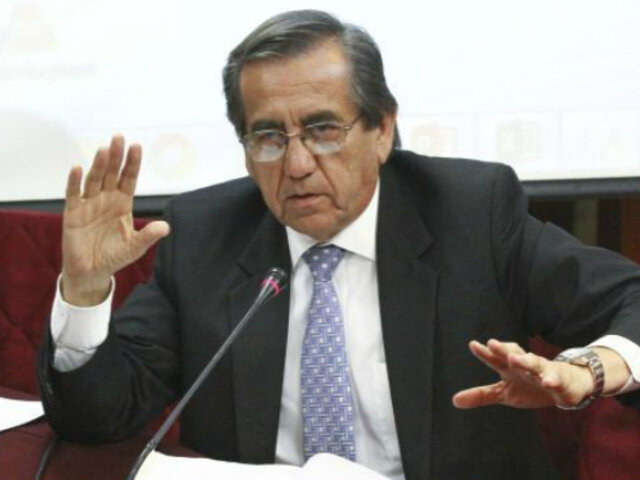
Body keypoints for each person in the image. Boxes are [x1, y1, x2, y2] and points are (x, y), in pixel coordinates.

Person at [38, 10, 640, 480]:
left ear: (382, 130)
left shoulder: (469, 213)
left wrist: (588, 369)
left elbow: (631, 300)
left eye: (323, 130)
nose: (297, 164)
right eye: (268, 137)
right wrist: (86, 292)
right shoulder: (205, 234)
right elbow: (99, 417)